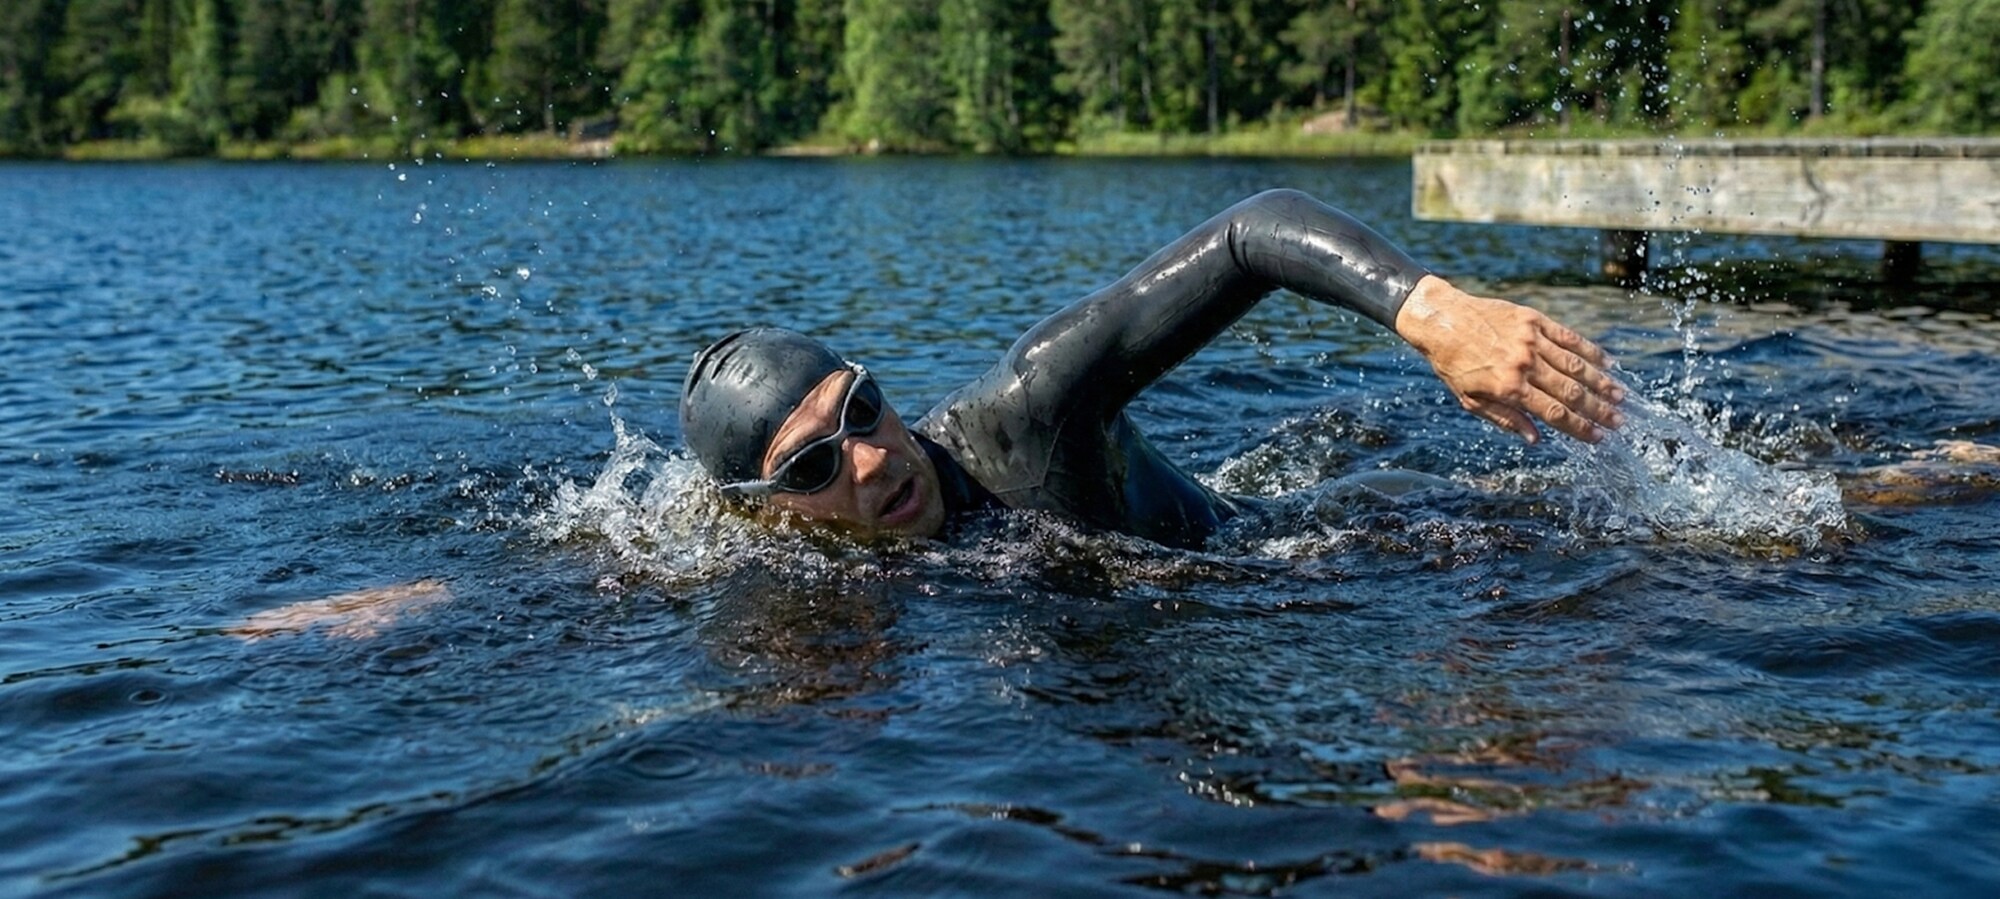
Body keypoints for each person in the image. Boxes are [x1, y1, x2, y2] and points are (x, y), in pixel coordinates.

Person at [679, 188, 1629, 549]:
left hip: (1358, 532)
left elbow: (1252, 232)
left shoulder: (1027, 413)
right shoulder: (787, 578)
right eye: (815, 465)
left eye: (863, 408)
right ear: (761, 513)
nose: (872, 458)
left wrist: (1435, 311)